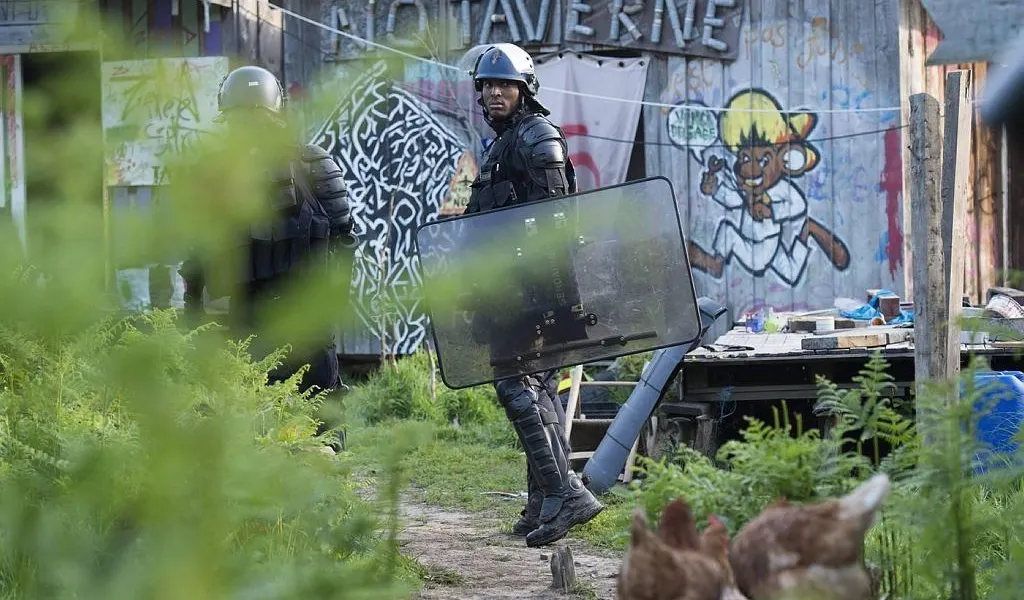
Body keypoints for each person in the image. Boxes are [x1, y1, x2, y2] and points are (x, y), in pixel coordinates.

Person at [464, 43, 604, 547]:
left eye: (505, 84)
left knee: (514, 385)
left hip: (536, 292)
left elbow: (555, 227)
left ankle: (567, 493)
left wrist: (558, 301)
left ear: (525, 90)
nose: (495, 92)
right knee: (538, 394)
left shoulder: (537, 137)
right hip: (510, 290)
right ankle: (542, 503)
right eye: (488, 84)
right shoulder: (502, 144)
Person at [179, 65, 357, 437]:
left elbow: (341, 242)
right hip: (276, 316)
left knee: (264, 421)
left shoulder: (310, 166)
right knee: (317, 422)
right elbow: (345, 242)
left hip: (267, 316)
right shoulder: (313, 164)